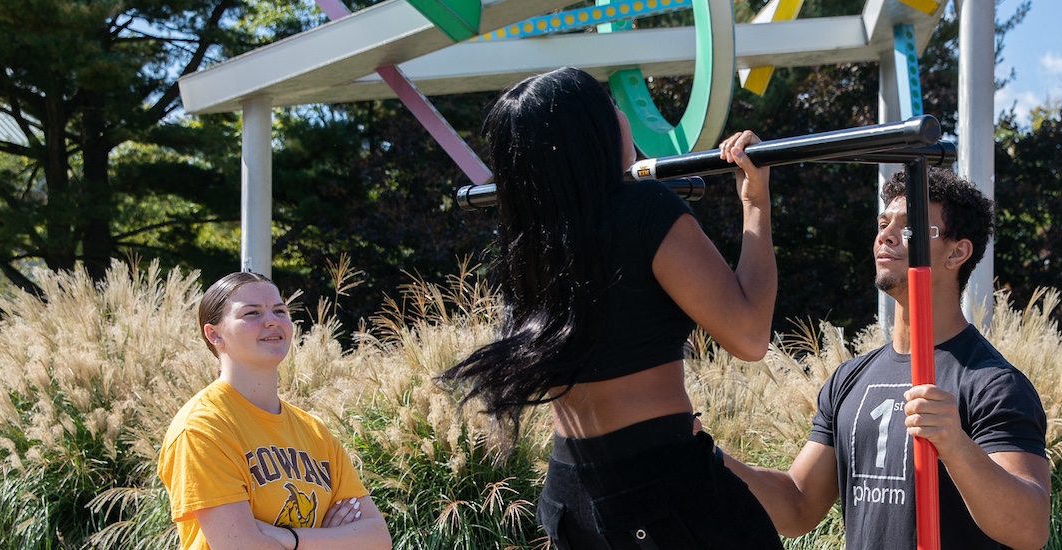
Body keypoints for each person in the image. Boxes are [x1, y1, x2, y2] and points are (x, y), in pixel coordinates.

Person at [438, 67, 782, 549]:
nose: (624, 117)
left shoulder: (529, 238)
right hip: (660, 487)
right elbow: (749, 335)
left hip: (570, 494)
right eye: (613, 108)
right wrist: (757, 205)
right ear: (590, 135)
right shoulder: (644, 210)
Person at [725, 168, 1050, 549]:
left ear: (957, 251)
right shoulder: (850, 378)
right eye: (884, 223)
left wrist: (956, 445)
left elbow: (1029, 529)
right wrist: (703, 454)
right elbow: (797, 506)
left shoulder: (992, 384)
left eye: (909, 228)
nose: (886, 235)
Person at [158, 272, 392, 550]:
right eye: (252, 313)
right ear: (214, 334)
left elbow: (378, 539)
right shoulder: (202, 428)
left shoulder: (315, 431)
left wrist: (288, 539)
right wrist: (331, 541)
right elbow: (243, 547)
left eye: (280, 311)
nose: (272, 321)